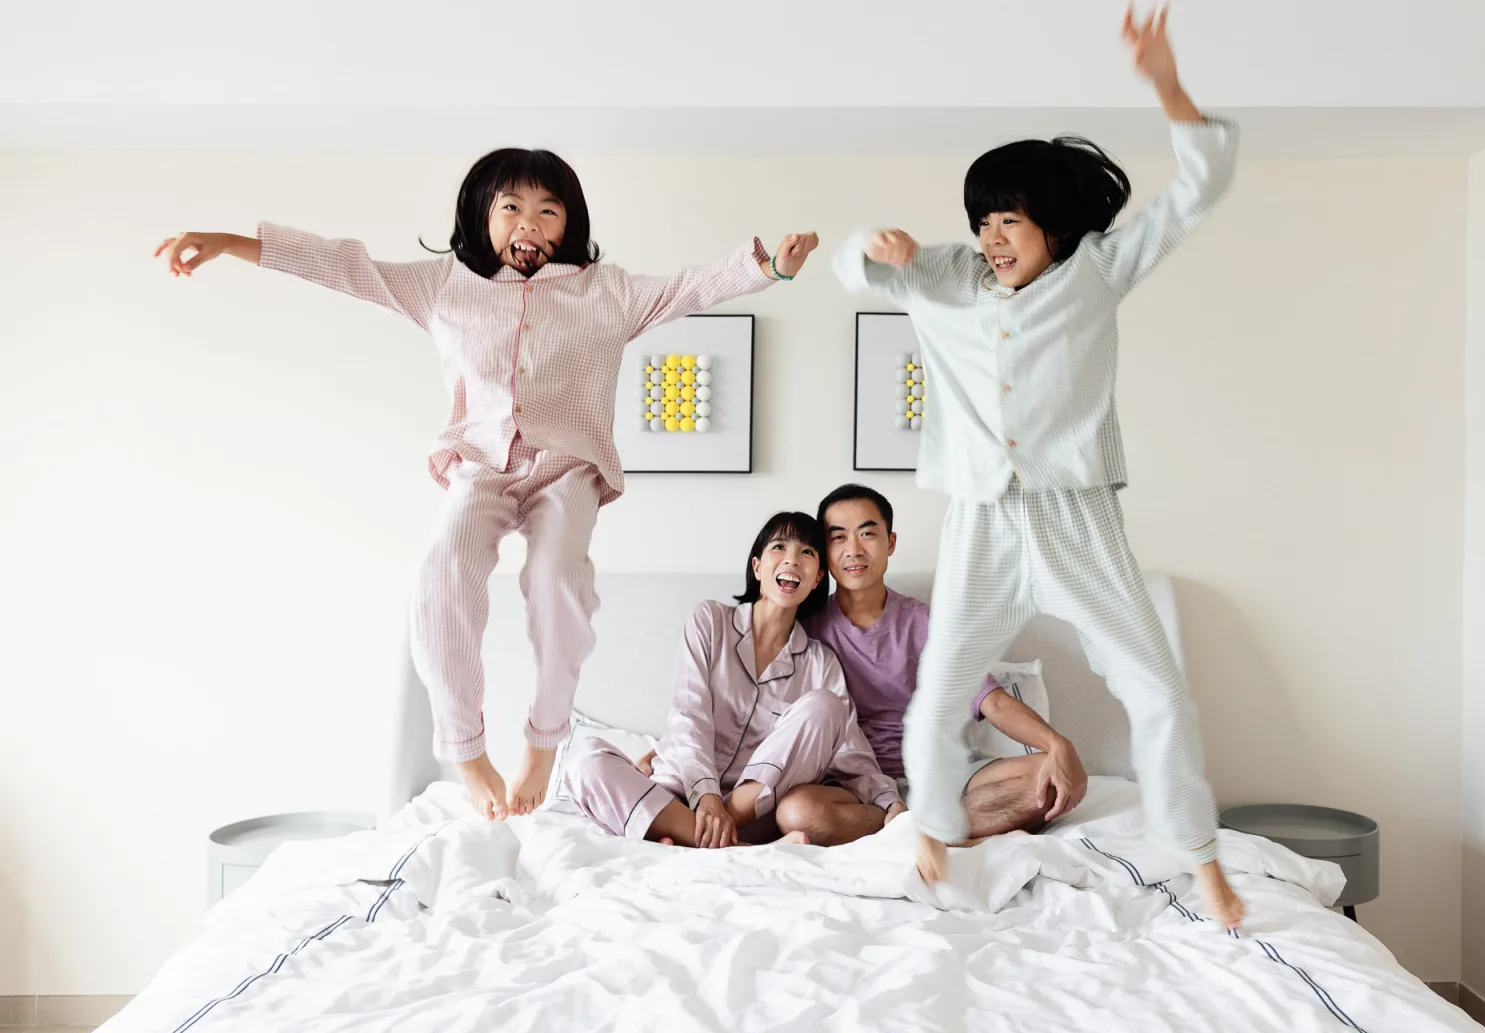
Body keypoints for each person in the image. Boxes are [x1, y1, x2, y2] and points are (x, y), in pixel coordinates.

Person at [154, 148, 818, 822]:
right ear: (485, 216)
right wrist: (228, 244)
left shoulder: (606, 293)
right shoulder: (445, 286)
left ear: (567, 225)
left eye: (547, 211)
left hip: (567, 469)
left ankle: (545, 739)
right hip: (479, 467)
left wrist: (768, 267)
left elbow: (691, 287)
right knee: (442, 574)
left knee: (558, 582)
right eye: (512, 208)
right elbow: (346, 268)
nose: (529, 222)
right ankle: (466, 750)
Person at [831, 5, 1245, 927]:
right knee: (941, 688)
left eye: (1008, 221)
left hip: (1077, 517)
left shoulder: (1098, 271)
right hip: (983, 517)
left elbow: (1199, 187)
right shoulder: (945, 280)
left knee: (1160, 692)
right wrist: (875, 243)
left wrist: (1168, 85)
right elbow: (848, 267)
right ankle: (932, 832)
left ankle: (1201, 857)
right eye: (983, 222)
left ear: (1050, 224)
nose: (991, 239)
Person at [774, 484, 1086, 846]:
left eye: (867, 534)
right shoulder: (806, 628)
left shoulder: (923, 621)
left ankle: (913, 829)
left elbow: (993, 702)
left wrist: (1058, 745)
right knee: (796, 813)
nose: (854, 550)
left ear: (890, 543)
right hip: (852, 788)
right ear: (825, 552)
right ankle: (930, 831)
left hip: (943, 779)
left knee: (1047, 780)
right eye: (839, 537)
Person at [564, 512, 900, 846]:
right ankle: (728, 847)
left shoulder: (820, 663)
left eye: (807, 553)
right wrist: (706, 795)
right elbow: (689, 715)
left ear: (816, 580)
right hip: (675, 793)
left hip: (749, 815)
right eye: (779, 547)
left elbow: (851, 755)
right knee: (583, 760)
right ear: (757, 567)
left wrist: (891, 804)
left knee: (825, 706)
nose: (792, 560)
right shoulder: (709, 621)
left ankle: (693, 836)